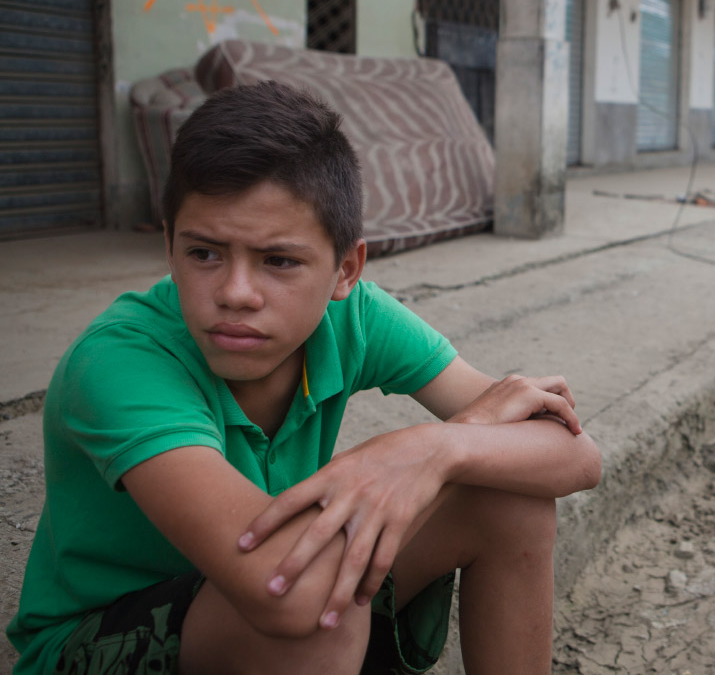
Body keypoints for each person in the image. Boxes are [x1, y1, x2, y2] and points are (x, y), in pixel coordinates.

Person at [6, 81, 601, 674]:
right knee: (319, 614)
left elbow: (577, 456)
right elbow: (290, 592)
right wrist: (443, 447)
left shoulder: (354, 317)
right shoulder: (120, 361)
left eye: (279, 261)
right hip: (104, 639)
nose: (236, 294)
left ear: (346, 270)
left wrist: (433, 448)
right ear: (168, 245)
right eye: (205, 253)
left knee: (509, 501)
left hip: (265, 595)